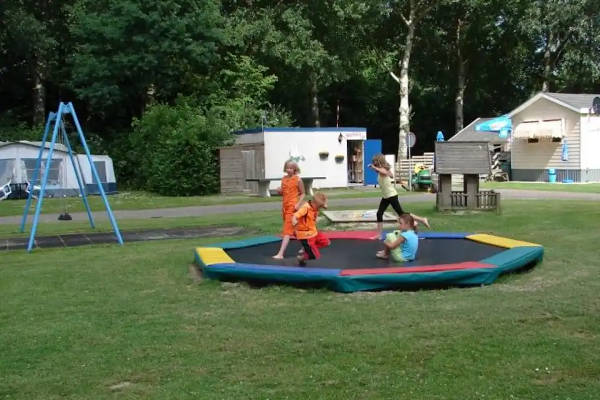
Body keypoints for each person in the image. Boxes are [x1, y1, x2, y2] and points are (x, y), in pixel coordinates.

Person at [368, 153, 430, 234]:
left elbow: (390, 174)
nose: (374, 164)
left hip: (391, 195)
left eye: (375, 162)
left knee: (401, 214)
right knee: (379, 213)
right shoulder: (381, 170)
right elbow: (384, 173)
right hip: (385, 196)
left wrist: (375, 167)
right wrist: (375, 168)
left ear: (379, 162)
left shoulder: (384, 170)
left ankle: (420, 220)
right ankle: (379, 234)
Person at [273, 160, 305, 259]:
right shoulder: (283, 179)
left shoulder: (298, 179)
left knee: (287, 230)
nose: (289, 170)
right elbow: (283, 192)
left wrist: (298, 204)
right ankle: (306, 246)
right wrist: (279, 191)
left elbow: (303, 193)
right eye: (287, 168)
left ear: (295, 169)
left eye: (291, 168)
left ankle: (280, 253)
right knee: (294, 230)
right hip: (285, 207)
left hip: (293, 207)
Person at [292, 192, 330, 266]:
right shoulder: (305, 208)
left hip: (313, 231)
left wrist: (324, 205)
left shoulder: (316, 205)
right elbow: (295, 215)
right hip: (306, 235)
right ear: (315, 203)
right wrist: (294, 221)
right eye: (319, 206)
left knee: (326, 242)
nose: (320, 208)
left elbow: (324, 205)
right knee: (315, 255)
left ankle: (306, 249)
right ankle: (301, 258)